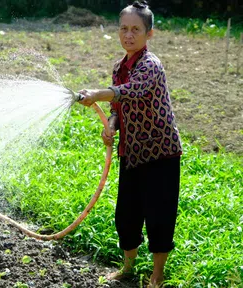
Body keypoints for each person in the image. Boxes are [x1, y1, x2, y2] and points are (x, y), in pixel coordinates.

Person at [77, 1, 182, 287]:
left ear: (149, 34)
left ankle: (157, 275)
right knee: (127, 215)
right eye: (124, 29)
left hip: (161, 154)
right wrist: (111, 127)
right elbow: (118, 108)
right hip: (132, 154)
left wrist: (98, 93)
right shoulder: (119, 67)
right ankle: (128, 268)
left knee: (159, 217)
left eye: (136, 29)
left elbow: (132, 91)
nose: (129, 35)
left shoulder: (151, 65)